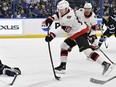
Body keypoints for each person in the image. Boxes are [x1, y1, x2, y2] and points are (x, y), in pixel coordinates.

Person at [44, 0, 113, 75]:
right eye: (59, 9)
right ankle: (62, 67)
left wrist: (52, 35)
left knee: (88, 52)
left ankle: (105, 64)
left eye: (62, 9)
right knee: (64, 46)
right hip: (74, 34)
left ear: (66, 9)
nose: (60, 11)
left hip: (80, 33)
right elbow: (58, 15)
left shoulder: (69, 17)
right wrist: (51, 18)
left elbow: (64, 30)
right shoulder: (66, 10)